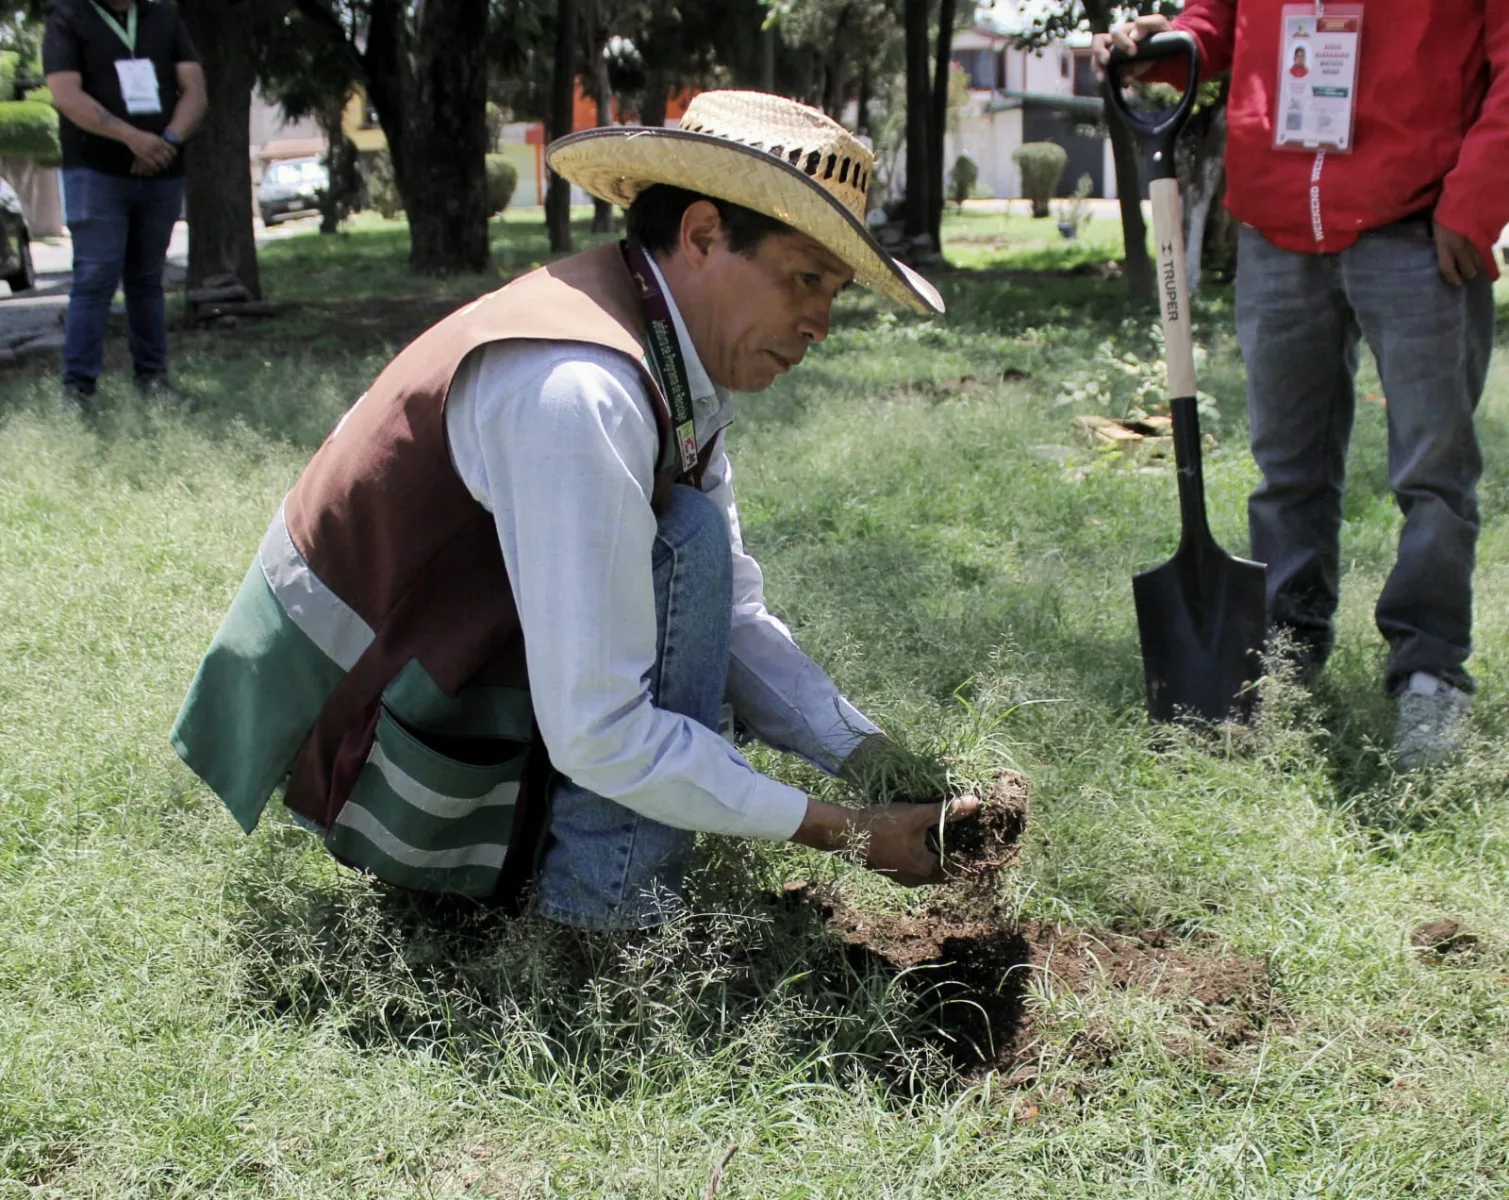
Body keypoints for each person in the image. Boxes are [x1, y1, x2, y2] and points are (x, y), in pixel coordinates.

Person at [171, 91, 978, 930]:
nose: (819, 323)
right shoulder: (578, 392)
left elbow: (734, 618)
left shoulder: (657, 343)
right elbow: (600, 732)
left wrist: (870, 759)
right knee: (683, 541)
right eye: (805, 277)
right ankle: (603, 925)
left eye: (834, 291)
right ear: (702, 235)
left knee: (687, 541)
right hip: (349, 732)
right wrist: (846, 834)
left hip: (416, 687)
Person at [1095, 4, 1505, 768]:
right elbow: (1221, 21)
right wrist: (1160, 47)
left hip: (1418, 224)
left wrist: (1476, 200)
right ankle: (1284, 657)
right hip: (1277, 226)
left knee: (1432, 475)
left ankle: (1428, 675)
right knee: (1286, 471)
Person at [42, 0, 206, 409]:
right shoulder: (69, 17)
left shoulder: (165, 17)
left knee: (148, 281)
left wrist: (168, 140)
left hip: (162, 172)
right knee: (95, 280)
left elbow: (195, 89)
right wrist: (132, 137)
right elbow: (64, 93)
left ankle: (154, 385)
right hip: (96, 174)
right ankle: (77, 393)